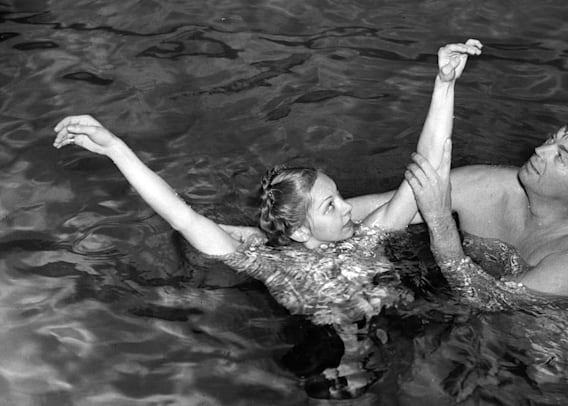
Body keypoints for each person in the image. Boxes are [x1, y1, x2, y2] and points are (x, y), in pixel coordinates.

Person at [52, 39, 483, 399]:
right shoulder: (276, 267)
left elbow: (427, 168)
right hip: (329, 355)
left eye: (338, 198)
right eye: (331, 206)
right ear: (298, 231)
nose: (350, 207)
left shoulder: (368, 239)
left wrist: (443, 84)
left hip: (394, 325)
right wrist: (115, 148)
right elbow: (184, 217)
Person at [352, 113, 568, 307]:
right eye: (551, 140)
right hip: (460, 294)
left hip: (537, 329)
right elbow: (370, 209)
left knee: (549, 369)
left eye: (560, 156)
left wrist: (440, 221)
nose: (539, 149)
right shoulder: (490, 185)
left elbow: (488, 301)